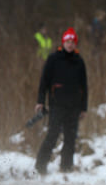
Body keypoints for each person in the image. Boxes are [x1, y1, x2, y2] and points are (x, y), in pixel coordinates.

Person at [34, 27, 88, 175]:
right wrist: (40, 101)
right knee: (53, 135)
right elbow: (44, 82)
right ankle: (40, 166)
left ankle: (66, 168)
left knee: (70, 138)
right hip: (57, 104)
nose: (70, 44)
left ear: (75, 44)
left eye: (73, 42)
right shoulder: (53, 59)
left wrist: (84, 108)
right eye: (68, 41)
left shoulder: (79, 61)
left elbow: (84, 86)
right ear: (63, 42)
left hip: (74, 106)